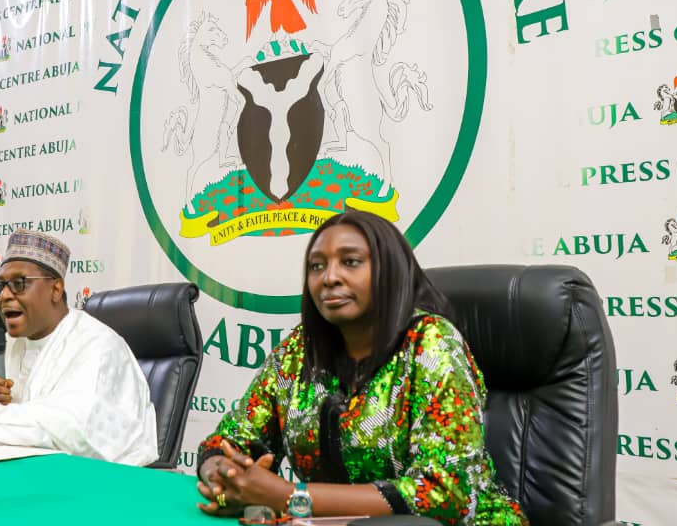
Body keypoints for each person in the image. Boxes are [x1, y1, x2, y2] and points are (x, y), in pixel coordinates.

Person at [196, 210, 529, 525]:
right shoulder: (299, 350)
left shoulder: (431, 343)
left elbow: (445, 494)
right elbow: (228, 440)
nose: (329, 278)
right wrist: (226, 477)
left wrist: (290, 496)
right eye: (316, 266)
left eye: (351, 262)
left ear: (390, 270)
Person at [0, 229, 159, 466]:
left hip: (100, 487)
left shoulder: (98, 346)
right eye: (0, 286)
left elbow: (68, 433)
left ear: (56, 289)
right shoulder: (4, 345)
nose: (4, 295)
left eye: (19, 284)